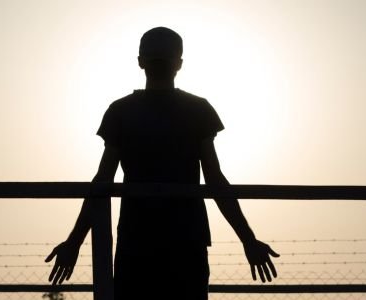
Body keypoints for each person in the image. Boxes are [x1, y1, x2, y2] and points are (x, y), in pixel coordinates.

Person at [45, 27, 279, 300]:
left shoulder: (121, 111)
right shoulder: (198, 110)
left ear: (140, 62)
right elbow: (215, 180)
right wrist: (247, 240)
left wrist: (74, 243)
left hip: (137, 241)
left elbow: (102, 181)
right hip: (186, 240)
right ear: (178, 64)